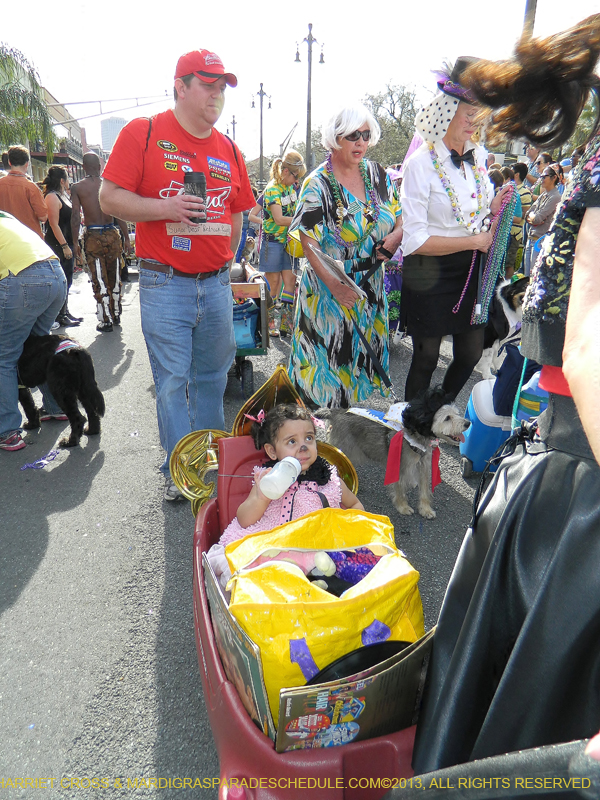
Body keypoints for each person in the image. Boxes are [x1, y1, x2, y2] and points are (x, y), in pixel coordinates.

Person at [411, 13, 600, 776]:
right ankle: (417, 423)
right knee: (428, 372)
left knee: (460, 372)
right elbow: (588, 346)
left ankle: (424, 422)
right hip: (577, 517)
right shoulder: (426, 160)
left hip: (562, 491)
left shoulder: (487, 170)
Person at [99, 49, 255, 501]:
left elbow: (238, 212)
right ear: (180, 87)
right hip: (165, 282)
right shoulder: (143, 132)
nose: (217, 94)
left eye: (222, 86)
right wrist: (164, 208)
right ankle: (179, 473)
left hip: (216, 283)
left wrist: (228, 258)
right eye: (207, 84)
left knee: (212, 378)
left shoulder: (228, 148)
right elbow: (110, 198)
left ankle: (208, 462)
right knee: (172, 381)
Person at [399, 59, 511, 401]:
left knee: (470, 353)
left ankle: (437, 410)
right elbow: (414, 240)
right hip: (429, 270)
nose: (474, 124)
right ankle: (411, 423)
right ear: (446, 111)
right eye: (468, 115)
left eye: (479, 117)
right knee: (427, 357)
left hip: (471, 269)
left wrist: (492, 210)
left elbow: (473, 214)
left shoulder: (479, 159)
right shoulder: (420, 165)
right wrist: (474, 240)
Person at [287, 103, 403, 409]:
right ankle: (311, 442)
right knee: (325, 370)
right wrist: (336, 287)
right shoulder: (318, 184)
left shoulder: (379, 176)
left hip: (370, 284)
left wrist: (395, 237)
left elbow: (402, 217)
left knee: (356, 367)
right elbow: (307, 240)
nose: (362, 142)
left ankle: (344, 437)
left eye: (366, 135)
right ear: (336, 138)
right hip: (330, 287)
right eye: (354, 135)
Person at [206, 404, 364, 586]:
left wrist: (344, 525)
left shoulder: (328, 477)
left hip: (318, 549)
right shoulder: (268, 478)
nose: (303, 446)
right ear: (272, 451)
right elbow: (244, 519)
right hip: (273, 548)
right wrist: (261, 498)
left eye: (309, 438)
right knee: (253, 577)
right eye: (292, 442)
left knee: (350, 573)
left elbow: (355, 505)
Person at [0, 212, 67, 451]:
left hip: (23, 281)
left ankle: (6, 431)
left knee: (3, 358)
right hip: (56, 274)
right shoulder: (6, 218)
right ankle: (56, 407)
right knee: (38, 346)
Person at [70, 153, 131, 333]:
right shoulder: (110, 185)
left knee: (99, 277)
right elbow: (119, 213)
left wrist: (74, 242)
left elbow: (75, 216)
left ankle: (105, 320)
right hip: (112, 233)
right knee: (115, 275)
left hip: (93, 235)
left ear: (83, 166)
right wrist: (127, 238)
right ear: (99, 165)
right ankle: (116, 312)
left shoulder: (78, 187)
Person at [259, 150, 306, 337]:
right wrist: (302, 220)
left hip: (289, 243)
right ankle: (270, 323)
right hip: (273, 243)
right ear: (286, 171)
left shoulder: (290, 189)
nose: (297, 182)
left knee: (291, 281)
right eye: (296, 176)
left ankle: (286, 323)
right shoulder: (272, 189)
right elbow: (278, 219)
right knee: (274, 283)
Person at [41, 166, 81, 328]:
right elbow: (53, 224)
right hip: (58, 243)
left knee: (68, 279)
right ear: (62, 180)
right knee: (61, 280)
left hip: (68, 241)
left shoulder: (64, 196)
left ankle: (65, 311)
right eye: (67, 178)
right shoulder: (52, 197)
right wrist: (64, 245)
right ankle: (59, 315)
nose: (69, 181)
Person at [522, 163, 561, 275]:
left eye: (544, 176)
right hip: (531, 239)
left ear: (554, 178)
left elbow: (537, 218)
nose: (541, 179)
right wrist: (533, 217)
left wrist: (534, 217)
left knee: (533, 277)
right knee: (526, 277)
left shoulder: (555, 197)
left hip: (540, 242)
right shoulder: (544, 195)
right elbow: (528, 214)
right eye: (541, 176)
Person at [0, 146, 47, 237]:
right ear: (27, 163)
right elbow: (43, 217)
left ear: (9, 162)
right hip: (29, 238)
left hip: (6, 237)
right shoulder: (31, 187)